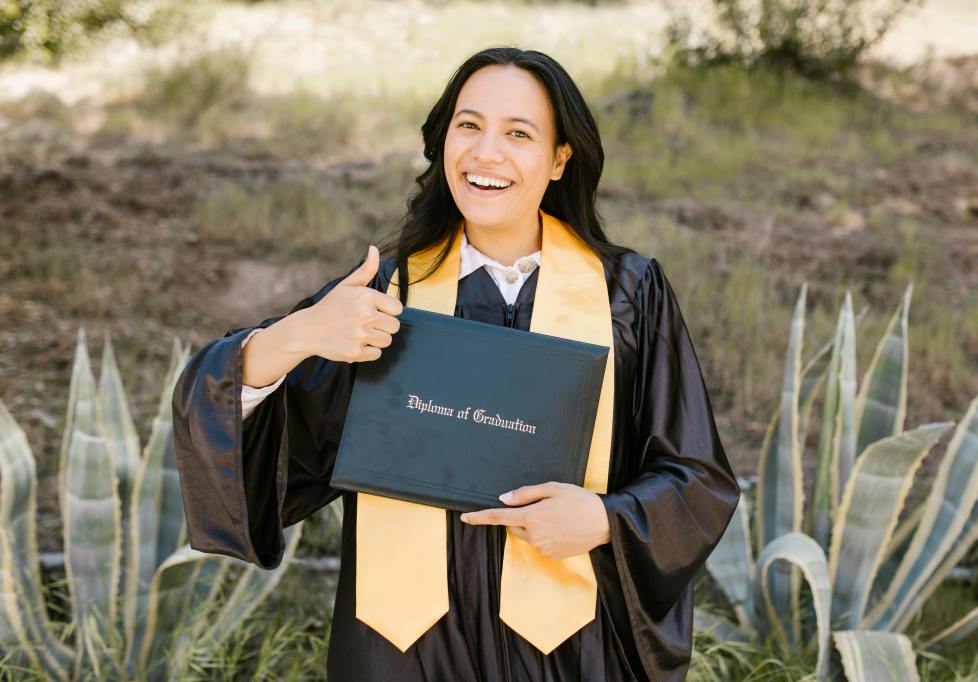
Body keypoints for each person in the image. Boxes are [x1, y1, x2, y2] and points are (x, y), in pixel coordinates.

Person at [172, 46, 740, 681]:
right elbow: (251, 433)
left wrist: (607, 521)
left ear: (559, 159)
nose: (486, 154)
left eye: (518, 133)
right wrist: (297, 336)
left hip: (571, 652)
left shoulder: (626, 296)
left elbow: (697, 478)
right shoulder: (386, 296)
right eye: (468, 126)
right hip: (402, 651)